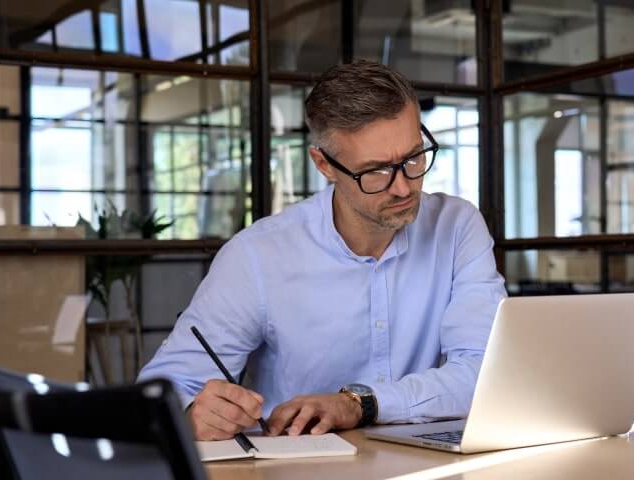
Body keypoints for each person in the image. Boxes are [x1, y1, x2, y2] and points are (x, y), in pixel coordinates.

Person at [138, 60, 506, 441]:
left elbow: (486, 371)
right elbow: (161, 388)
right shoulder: (258, 256)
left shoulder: (457, 226)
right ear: (324, 165)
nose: (403, 188)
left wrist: (358, 403)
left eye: (413, 158)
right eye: (376, 171)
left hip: (427, 466)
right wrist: (189, 412)